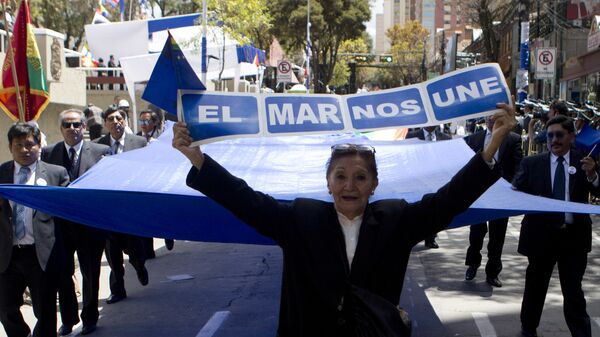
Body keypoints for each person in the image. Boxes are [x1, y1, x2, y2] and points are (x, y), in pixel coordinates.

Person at [172, 102, 516, 336]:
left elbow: (447, 201)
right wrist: (197, 159)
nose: (349, 186)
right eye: (340, 176)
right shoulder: (301, 219)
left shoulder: (395, 219)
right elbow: (244, 199)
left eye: (360, 177)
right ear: (328, 182)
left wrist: (493, 144)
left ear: (374, 184)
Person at [513, 115, 600, 337]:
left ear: (571, 136)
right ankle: (527, 329)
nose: (554, 140)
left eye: (559, 135)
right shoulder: (532, 164)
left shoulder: (585, 162)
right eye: (550, 135)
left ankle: (581, 333)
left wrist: (593, 176)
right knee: (535, 287)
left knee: (572, 291)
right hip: (541, 238)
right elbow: (514, 194)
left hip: (573, 238)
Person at [41, 109, 111, 335]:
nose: (72, 129)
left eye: (77, 124)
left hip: (90, 225)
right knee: (63, 273)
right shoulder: (49, 153)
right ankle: (69, 317)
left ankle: (90, 317)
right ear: (61, 129)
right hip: (60, 226)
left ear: (84, 127)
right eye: (67, 125)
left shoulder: (101, 151)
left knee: (90, 273)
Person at [0, 123, 69, 337]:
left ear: (39, 146)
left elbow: (66, 211)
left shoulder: (55, 174)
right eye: (18, 145)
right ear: (10, 147)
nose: (24, 150)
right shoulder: (1, 173)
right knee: (5, 307)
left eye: (29, 144)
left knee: (45, 309)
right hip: (8, 254)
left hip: (40, 254)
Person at [93, 106, 149, 304]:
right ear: (106, 124)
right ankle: (118, 289)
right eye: (111, 119)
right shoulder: (98, 146)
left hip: (129, 207)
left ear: (124, 121)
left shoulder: (140, 143)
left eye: (119, 118)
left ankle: (139, 265)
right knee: (112, 251)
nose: (115, 122)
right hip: (108, 209)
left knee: (134, 249)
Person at [464, 116, 523, 287]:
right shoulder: (474, 139)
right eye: (489, 117)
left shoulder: (513, 139)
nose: (491, 120)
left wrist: (514, 187)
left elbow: (519, 166)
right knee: (476, 234)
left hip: (501, 197)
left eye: (495, 116)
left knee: (497, 237)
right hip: (478, 196)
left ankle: (493, 272)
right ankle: (472, 265)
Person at [405, 125, 452, 249]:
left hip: (436, 179)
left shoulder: (445, 138)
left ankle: (430, 238)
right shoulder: (412, 136)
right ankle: (413, 236)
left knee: (434, 207)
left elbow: (449, 158)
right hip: (418, 178)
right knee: (417, 207)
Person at [136, 110, 175, 254]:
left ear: (154, 123)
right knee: (146, 214)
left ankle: (168, 234)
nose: (144, 125)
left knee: (163, 211)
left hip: (160, 180)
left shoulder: (163, 137)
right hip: (143, 182)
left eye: (146, 121)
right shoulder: (136, 139)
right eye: (141, 122)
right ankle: (148, 249)